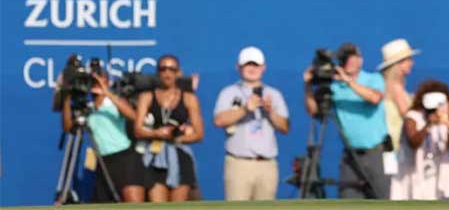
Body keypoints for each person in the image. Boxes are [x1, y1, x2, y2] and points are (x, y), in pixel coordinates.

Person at [304, 42, 389, 199]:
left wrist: (348, 81)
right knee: (348, 200)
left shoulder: (373, 79)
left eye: (352, 57)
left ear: (360, 60)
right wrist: (308, 87)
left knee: (383, 199)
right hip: (350, 157)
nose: (348, 61)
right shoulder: (335, 89)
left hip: (376, 153)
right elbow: (313, 111)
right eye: (344, 58)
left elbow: (375, 98)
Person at [214, 46, 290, 201]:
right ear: (239, 67)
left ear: (263, 68)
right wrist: (245, 109)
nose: (252, 69)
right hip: (239, 163)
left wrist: (270, 112)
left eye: (255, 65)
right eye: (248, 65)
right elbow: (219, 120)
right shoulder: (229, 92)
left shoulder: (273, 94)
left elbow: (285, 127)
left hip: (266, 164)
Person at [61, 64, 145, 202]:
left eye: (100, 78)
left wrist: (106, 91)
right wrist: (66, 97)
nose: (96, 82)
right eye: (93, 80)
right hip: (103, 162)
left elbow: (134, 117)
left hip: (125, 159)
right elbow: (67, 127)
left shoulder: (114, 101)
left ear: (107, 81)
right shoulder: (87, 106)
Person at [134, 55, 203, 202]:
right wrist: (156, 133)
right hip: (155, 156)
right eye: (163, 68)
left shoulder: (189, 98)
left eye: (172, 69)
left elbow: (199, 134)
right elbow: (138, 130)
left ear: (178, 72)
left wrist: (176, 137)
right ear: (158, 72)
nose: (167, 73)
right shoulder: (147, 97)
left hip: (179, 154)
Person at [391, 79, 449, 200]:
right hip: (413, 173)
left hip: (438, 174)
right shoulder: (412, 117)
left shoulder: (448, 117)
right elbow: (413, 142)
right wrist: (429, 124)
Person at [378, 38, 418, 155]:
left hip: (390, 144)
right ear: (398, 64)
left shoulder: (388, 84)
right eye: (408, 59)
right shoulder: (395, 87)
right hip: (397, 146)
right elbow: (407, 114)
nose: (412, 63)